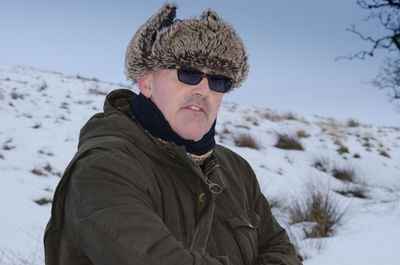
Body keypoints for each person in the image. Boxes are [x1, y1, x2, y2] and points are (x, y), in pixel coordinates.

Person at [44, 3, 302, 265]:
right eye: (188, 73)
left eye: (218, 81)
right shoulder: (104, 167)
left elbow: (282, 250)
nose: (204, 90)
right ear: (146, 81)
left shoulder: (236, 169)